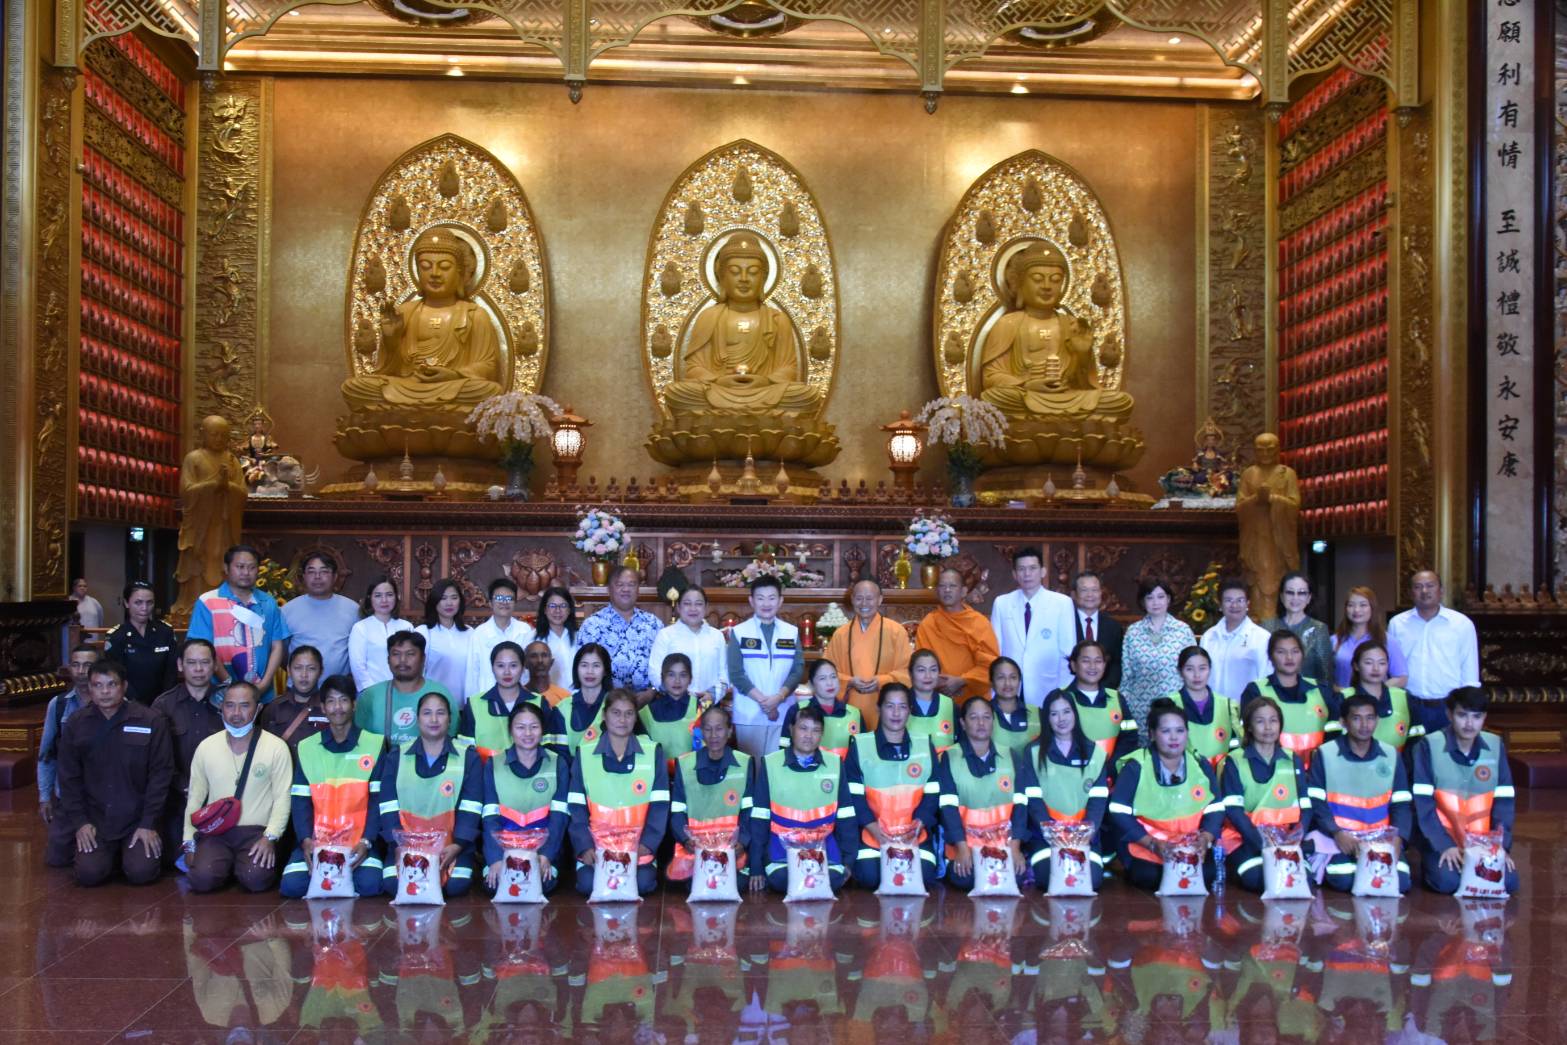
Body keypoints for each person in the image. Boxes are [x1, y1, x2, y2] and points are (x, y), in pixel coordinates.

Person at [51, 659, 172, 886]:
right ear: (90, 688)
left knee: (141, 873)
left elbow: (161, 776)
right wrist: (81, 822)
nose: (105, 692)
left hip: (137, 818)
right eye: (98, 685)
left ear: (124, 686)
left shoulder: (150, 720)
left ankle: (125, 855)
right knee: (89, 874)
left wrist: (148, 823)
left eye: (111, 684)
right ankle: (111, 857)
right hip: (96, 819)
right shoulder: (77, 724)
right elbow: (68, 778)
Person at [279, 675, 385, 898]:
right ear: (323, 707)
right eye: (331, 701)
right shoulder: (307, 748)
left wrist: (367, 841)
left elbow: (377, 801)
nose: (338, 707)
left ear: (354, 705)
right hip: (318, 841)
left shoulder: (374, 744)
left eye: (344, 700)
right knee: (291, 886)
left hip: (358, 842)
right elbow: (300, 801)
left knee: (370, 885)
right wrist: (306, 840)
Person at [183, 682, 294, 893]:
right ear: (221, 707)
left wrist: (270, 837)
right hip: (216, 832)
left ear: (258, 708)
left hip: (257, 832)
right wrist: (189, 842)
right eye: (229, 705)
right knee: (201, 879)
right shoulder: (206, 747)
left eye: (244, 706)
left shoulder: (276, 747)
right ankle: (223, 864)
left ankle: (237, 866)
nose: (236, 713)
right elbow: (195, 798)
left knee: (255, 878)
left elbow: (282, 797)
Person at [1107, 699, 1225, 891]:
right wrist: (1152, 844)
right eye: (1166, 731)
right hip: (1147, 846)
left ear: (1187, 733)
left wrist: (1206, 838)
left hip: (1188, 847)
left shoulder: (1199, 764)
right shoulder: (1136, 765)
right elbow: (1118, 812)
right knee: (1148, 876)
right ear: (1152, 734)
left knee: (1208, 874)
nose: (1174, 737)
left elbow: (1216, 807)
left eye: (1180, 730)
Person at [374, 691, 484, 897]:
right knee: (393, 885)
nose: (434, 719)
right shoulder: (397, 756)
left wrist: (458, 845)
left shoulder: (468, 757)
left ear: (450, 719)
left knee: (454, 886)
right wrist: (397, 846)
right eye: (427, 713)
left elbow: (471, 808)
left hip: (451, 845)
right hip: (406, 846)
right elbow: (387, 806)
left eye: (440, 713)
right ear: (417, 719)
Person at [1411, 686, 1518, 895]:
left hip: (1484, 844)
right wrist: (1444, 845)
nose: (1469, 724)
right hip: (1443, 840)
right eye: (1462, 715)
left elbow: (1504, 803)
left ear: (1484, 718)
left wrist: (1500, 847)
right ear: (1449, 714)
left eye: (1476, 717)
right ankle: (1433, 862)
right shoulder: (1429, 746)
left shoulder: (1495, 746)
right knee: (1447, 882)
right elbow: (1422, 805)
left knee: (1510, 882)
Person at [567, 689, 670, 896]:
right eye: (616, 713)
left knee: (643, 885)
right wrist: (585, 847)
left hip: (637, 848)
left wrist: (647, 845)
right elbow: (576, 807)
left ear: (636, 717)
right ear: (604, 716)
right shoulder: (585, 753)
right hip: (598, 849)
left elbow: (660, 806)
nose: (622, 720)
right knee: (587, 885)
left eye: (629, 713)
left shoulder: (652, 752)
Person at [1307, 692, 1412, 893]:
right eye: (1356, 718)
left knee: (1401, 882)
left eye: (1370, 718)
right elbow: (1316, 802)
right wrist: (1337, 832)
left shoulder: (1391, 755)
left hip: (1380, 840)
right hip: (1341, 840)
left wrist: (1398, 839)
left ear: (1377, 720)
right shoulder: (1325, 753)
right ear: (1343, 722)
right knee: (1344, 879)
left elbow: (1401, 803)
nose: (1364, 725)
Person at [842, 683, 940, 889]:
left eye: (902, 707)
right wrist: (874, 830)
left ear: (909, 711)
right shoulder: (860, 745)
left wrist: (918, 824)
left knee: (922, 876)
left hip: (914, 835)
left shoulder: (924, 744)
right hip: (873, 835)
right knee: (870, 878)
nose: (896, 713)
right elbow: (854, 798)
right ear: (879, 708)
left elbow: (933, 795)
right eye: (890, 706)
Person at [749, 702, 852, 894]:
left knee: (834, 879)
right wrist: (756, 867)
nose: (808, 735)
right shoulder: (771, 764)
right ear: (791, 729)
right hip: (781, 849)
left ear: (822, 734)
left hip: (823, 847)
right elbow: (759, 819)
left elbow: (846, 816)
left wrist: (848, 861)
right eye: (803, 728)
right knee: (782, 879)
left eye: (815, 730)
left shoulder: (835, 764)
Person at [937, 697, 1033, 890]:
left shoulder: (1011, 755)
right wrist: (962, 849)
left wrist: (1015, 849)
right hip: (966, 847)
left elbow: (1021, 807)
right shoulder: (950, 757)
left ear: (993, 721)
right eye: (974, 717)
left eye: (987, 717)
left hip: (1002, 847)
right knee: (965, 879)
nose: (981, 723)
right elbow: (947, 809)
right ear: (963, 723)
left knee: (1017, 876)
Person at [1219, 695, 1312, 893]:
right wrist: (1263, 843)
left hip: (1285, 840)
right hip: (1245, 839)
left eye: (1273, 720)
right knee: (1259, 879)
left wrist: (1296, 836)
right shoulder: (1235, 760)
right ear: (1249, 727)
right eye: (1260, 721)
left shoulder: (1293, 759)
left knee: (1304, 880)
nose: (1268, 727)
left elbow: (1306, 805)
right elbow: (1234, 811)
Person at [481, 701, 569, 897]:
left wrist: (546, 855)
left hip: (543, 849)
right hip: (503, 848)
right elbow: (489, 818)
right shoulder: (494, 764)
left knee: (541, 884)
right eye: (520, 727)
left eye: (534, 727)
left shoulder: (558, 763)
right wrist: (496, 859)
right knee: (496, 885)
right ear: (511, 731)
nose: (528, 733)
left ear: (542, 730)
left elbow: (559, 818)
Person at [1024, 690, 1110, 890]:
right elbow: (1034, 802)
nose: (1061, 719)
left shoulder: (1095, 753)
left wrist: (1083, 836)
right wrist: (1054, 835)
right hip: (1046, 837)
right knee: (1049, 878)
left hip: (1085, 838)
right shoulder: (1033, 752)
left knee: (1091, 880)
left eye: (1066, 712)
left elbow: (1097, 803)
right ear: (1047, 719)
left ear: (1075, 714)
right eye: (1054, 714)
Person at [151, 638, 225, 863]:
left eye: (205, 662)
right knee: (174, 858)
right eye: (192, 663)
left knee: (215, 858)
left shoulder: (229, 703)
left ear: (215, 665)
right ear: (180, 665)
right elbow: (156, 759)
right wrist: (185, 786)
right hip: (177, 797)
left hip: (220, 797)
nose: (199, 669)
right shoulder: (163, 705)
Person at [187, 544, 290, 702]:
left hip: (262, 694)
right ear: (226, 568)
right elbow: (202, 648)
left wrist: (264, 684)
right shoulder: (208, 602)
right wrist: (229, 684)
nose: (246, 573)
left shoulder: (268, 602)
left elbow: (277, 646)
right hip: (220, 694)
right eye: (240, 567)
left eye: (252, 567)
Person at [1387, 571, 1481, 737]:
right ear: (1410, 593)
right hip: (1408, 705)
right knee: (1411, 752)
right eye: (1418, 587)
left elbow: (1470, 671)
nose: (1424, 591)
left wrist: (1468, 710)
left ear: (1441, 591)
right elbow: (1390, 667)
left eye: (1430, 586)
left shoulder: (1461, 624)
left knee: (1445, 751)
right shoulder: (1397, 624)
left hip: (1448, 707)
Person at [669, 704, 753, 885]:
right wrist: (685, 840)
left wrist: (742, 842)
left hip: (732, 851)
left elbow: (749, 812)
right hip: (695, 850)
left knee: (736, 883)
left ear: (729, 731)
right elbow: (677, 812)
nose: (714, 735)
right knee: (692, 883)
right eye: (708, 729)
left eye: (719, 729)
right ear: (701, 732)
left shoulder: (745, 763)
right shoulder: (684, 764)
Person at [726, 576, 805, 757]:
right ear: (751, 601)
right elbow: (736, 673)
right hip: (749, 713)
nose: (766, 604)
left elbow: (797, 669)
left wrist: (779, 697)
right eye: (760, 598)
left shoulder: (791, 632)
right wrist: (765, 702)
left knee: (779, 765)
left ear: (780, 601)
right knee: (753, 767)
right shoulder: (739, 632)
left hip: (783, 712)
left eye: (772, 598)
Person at [1238, 630, 1340, 769]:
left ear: (1302, 655)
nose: (1289, 657)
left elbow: (1335, 734)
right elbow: (1248, 737)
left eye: (1295, 651)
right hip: (1272, 770)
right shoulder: (1256, 691)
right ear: (1270, 656)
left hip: (1317, 771)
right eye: (1281, 652)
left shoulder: (1320, 690)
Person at [990, 547, 1076, 707]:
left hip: (1048, 689)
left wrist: (1063, 693)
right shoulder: (1002, 603)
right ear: (1014, 574)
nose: (1027, 574)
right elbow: (996, 650)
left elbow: (1067, 653)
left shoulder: (1062, 603)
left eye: (1032, 568)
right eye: (1021, 569)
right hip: (1010, 689)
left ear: (1043, 571)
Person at [824, 578, 912, 729]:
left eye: (869, 598)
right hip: (849, 709)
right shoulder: (840, 634)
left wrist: (881, 681)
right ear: (852, 600)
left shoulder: (896, 632)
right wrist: (849, 682)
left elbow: (907, 671)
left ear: (880, 600)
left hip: (887, 710)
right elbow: (826, 673)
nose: (864, 603)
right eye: (859, 598)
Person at [1119, 578, 1197, 744]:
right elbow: (1127, 676)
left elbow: (1192, 670)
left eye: (1161, 597)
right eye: (1150, 597)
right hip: (1140, 711)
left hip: (1175, 708)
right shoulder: (1133, 632)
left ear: (1168, 599)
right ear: (1143, 601)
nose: (1156, 602)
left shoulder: (1183, 631)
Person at [38, 644, 98, 858]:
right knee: (56, 856)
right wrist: (45, 796)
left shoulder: (112, 700)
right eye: (76, 665)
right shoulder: (59, 705)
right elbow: (47, 754)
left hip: (102, 794)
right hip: (68, 794)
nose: (81, 671)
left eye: (87, 665)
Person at [459, 641, 564, 760]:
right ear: (492, 668)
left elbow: (550, 750)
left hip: (531, 771)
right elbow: (466, 752)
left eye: (513, 665)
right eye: (500, 666)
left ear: (523, 667)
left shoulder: (539, 703)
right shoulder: (475, 705)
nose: (507, 672)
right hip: (485, 771)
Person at [354, 630, 457, 748]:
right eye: (396, 654)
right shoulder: (370, 696)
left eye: (410, 654)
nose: (402, 660)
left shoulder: (440, 694)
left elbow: (453, 740)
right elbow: (359, 742)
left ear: (423, 659)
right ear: (388, 659)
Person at [577, 566, 662, 698]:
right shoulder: (592, 625)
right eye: (619, 584)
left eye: (631, 584)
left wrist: (651, 692)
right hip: (603, 702)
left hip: (649, 702)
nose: (626, 589)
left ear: (638, 589)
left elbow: (665, 666)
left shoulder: (654, 624)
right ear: (609, 589)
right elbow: (582, 668)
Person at [914, 568, 999, 700]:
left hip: (973, 701)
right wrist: (940, 683)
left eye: (952, 586)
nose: (947, 590)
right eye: (942, 586)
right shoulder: (929, 623)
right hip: (937, 697)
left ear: (964, 591)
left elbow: (990, 665)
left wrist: (962, 681)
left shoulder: (979, 623)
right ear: (937, 591)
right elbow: (920, 663)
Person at [1053, 640, 1138, 763]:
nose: (1092, 666)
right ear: (1073, 665)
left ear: (1104, 665)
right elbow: (1051, 740)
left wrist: (1112, 765)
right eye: (1086, 661)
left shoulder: (1117, 698)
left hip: (1110, 771)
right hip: (1071, 769)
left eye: (1098, 661)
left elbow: (1129, 737)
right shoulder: (1059, 699)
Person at [282, 552, 360, 680]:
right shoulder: (287, 610)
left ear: (335, 576)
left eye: (324, 571)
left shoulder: (353, 609)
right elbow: (281, 652)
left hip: (338, 688)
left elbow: (359, 651)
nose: (317, 577)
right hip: (299, 687)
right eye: (311, 572)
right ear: (304, 576)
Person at [648, 586, 731, 702]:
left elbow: (725, 673)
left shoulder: (717, 636)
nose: (693, 608)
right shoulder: (665, 635)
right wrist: (678, 694)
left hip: (708, 704)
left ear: (706, 607)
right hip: (675, 703)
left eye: (698, 604)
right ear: (678, 607)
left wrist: (712, 695)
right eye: (687, 603)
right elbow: (655, 672)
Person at [102, 581, 178, 704]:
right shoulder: (117, 636)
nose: (144, 608)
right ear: (126, 603)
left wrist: (164, 701)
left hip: (163, 702)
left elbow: (171, 672)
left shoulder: (165, 632)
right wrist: (136, 705)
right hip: (129, 703)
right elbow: (116, 675)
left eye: (149, 603)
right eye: (138, 603)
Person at [1198, 577, 1271, 704]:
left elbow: (1266, 679)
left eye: (1240, 600)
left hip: (1247, 710)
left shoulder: (1262, 637)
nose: (1234, 605)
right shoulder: (1209, 636)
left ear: (1248, 604)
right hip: (1213, 709)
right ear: (1220, 604)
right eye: (1228, 600)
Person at [1165, 646, 1239, 767]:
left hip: (1222, 774)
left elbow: (1236, 747)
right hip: (1182, 774)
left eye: (1202, 668)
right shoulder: (1168, 705)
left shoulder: (1228, 706)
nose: (1197, 675)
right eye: (1189, 669)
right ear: (1180, 671)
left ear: (1210, 669)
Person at [778, 658, 863, 759]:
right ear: (811, 684)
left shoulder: (855, 713)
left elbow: (863, 752)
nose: (830, 683)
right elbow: (784, 747)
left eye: (833, 677)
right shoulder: (797, 710)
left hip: (845, 769)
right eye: (822, 678)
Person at [1259, 571, 1334, 686]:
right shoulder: (1266, 627)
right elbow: (1260, 667)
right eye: (1290, 592)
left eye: (1301, 593)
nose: (1295, 598)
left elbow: (1326, 677)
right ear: (1282, 596)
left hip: (1308, 694)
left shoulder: (1319, 629)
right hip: (1270, 693)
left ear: (1309, 598)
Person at [1342, 641, 1418, 753]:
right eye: (1369, 663)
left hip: (1397, 762)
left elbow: (1415, 741)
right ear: (1356, 666)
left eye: (1382, 663)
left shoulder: (1403, 697)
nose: (1376, 668)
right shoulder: (1343, 698)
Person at [465, 578, 534, 702]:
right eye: (499, 598)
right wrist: (470, 704)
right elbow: (472, 673)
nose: (504, 602)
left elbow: (528, 670)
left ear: (515, 602)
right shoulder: (479, 634)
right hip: (487, 699)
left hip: (520, 700)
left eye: (509, 598)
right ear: (490, 602)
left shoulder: (525, 630)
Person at [640, 653, 705, 774]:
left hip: (692, 776)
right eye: (671, 675)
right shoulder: (647, 712)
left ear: (690, 678)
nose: (677, 681)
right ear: (662, 678)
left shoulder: (700, 709)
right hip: (658, 778)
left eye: (683, 675)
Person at [1332, 585, 1408, 689]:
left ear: (1372, 608)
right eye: (1351, 605)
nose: (1356, 610)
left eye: (1363, 605)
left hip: (1375, 698)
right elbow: (1325, 677)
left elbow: (1401, 678)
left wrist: (1373, 691)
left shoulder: (1387, 640)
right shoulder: (1334, 640)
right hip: (1342, 697)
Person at [348, 575, 413, 693]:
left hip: (404, 691)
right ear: (370, 598)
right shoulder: (361, 628)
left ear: (396, 597)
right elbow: (358, 666)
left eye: (389, 595)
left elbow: (414, 661)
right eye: (378, 595)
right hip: (372, 692)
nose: (384, 600)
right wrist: (371, 691)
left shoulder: (406, 627)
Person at [257, 644, 329, 748]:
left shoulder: (329, 708)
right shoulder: (274, 708)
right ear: (289, 670)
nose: (304, 675)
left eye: (311, 668)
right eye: (298, 668)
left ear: (321, 672)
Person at [415, 578, 473, 700]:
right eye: (443, 598)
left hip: (465, 703)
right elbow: (416, 672)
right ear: (434, 601)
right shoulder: (424, 632)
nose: (449, 603)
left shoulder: (470, 632)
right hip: (433, 702)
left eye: (454, 598)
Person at [1071, 571, 1124, 690]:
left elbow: (1116, 664)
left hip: (1104, 691)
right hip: (1070, 691)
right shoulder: (1065, 623)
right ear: (1074, 594)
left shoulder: (1113, 626)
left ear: (1101, 593)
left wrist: (1101, 690)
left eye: (1094, 590)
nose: (1090, 595)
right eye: (1084, 590)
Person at [561, 643, 612, 753]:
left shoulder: (617, 705)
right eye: (584, 665)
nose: (590, 671)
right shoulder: (562, 709)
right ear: (576, 669)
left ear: (605, 671)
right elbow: (557, 752)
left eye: (596, 666)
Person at [906, 648, 958, 754]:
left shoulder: (949, 705)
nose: (928, 676)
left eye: (933, 670)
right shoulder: (900, 704)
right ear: (910, 673)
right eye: (921, 670)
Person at [987, 656, 1040, 758]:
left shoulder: (1037, 713)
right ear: (991, 683)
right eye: (1001, 678)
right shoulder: (983, 715)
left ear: (1020, 681)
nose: (1007, 683)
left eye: (1013, 677)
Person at [532, 586, 580, 691]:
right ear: (545, 609)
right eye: (552, 606)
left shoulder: (580, 637)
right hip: (546, 696)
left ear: (569, 610)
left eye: (563, 606)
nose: (557, 610)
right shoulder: (533, 638)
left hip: (577, 696)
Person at [524, 639, 569, 707]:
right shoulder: (517, 695)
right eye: (533, 656)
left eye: (544, 655)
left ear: (551, 662)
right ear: (525, 663)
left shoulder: (564, 697)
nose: (540, 660)